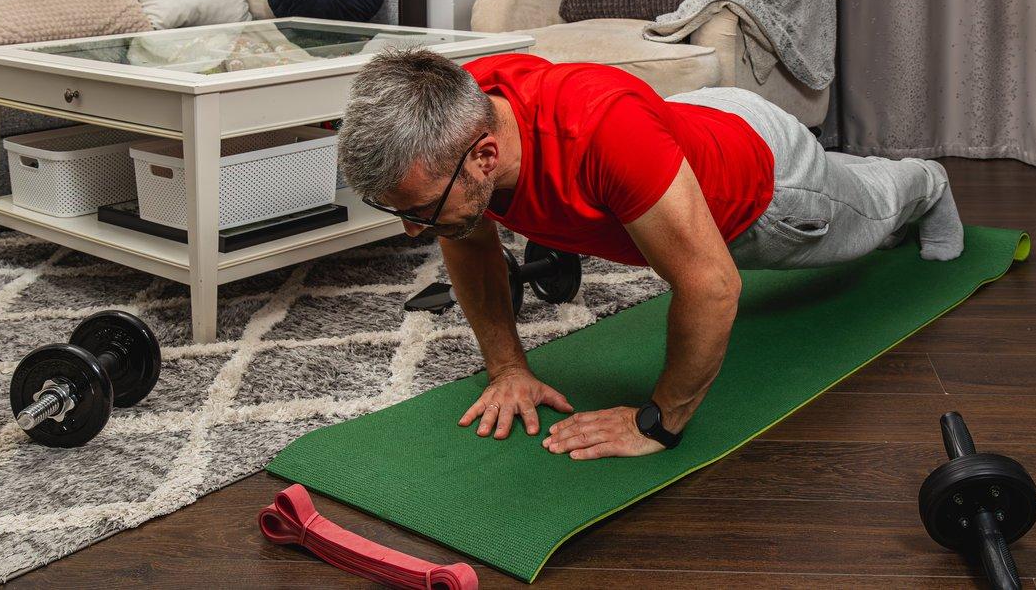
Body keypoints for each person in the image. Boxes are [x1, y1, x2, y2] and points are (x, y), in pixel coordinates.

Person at [338, 50, 963, 461]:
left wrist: (658, 421)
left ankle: (927, 180)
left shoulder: (598, 134)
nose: (415, 233)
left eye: (420, 211)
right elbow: (468, 243)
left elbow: (714, 288)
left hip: (770, 192)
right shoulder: (462, 106)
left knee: (875, 209)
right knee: (843, 182)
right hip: (688, 127)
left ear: (485, 156)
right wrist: (507, 368)